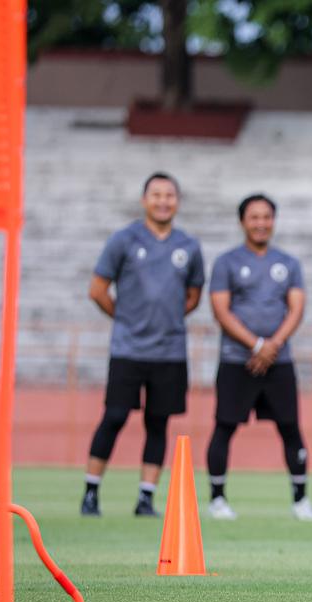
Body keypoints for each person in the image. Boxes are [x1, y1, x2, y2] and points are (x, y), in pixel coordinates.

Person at [81, 172, 204, 517]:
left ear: (177, 201)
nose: (163, 201)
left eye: (170, 195)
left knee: (158, 421)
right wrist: (126, 318)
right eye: (156, 195)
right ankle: (91, 492)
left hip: (169, 351)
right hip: (128, 349)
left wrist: (167, 318)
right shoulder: (123, 239)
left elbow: (193, 295)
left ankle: (146, 498)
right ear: (144, 200)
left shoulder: (189, 246)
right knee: (115, 416)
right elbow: (97, 290)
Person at [205, 194, 312, 521]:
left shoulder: (289, 263)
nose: (260, 223)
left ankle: (300, 500)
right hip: (236, 360)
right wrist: (255, 345)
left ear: (273, 221)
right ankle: (217, 499)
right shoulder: (226, 262)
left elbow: (296, 307)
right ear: (242, 222)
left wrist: (273, 345)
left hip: (279, 361)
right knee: (225, 426)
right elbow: (221, 310)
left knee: (290, 428)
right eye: (254, 217)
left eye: (266, 217)